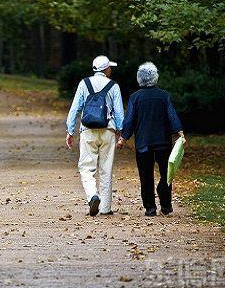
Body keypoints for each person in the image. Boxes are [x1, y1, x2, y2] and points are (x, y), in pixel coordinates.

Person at [117, 62, 186, 216]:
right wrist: (179, 131)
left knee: (145, 175)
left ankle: (150, 208)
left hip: (143, 143)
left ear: (139, 78)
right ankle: (166, 206)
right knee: (166, 174)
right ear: (156, 77)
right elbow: (172, 114)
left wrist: (123, 138)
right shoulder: (163, 96)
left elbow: (129, 120)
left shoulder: (135, 98)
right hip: (163, 142)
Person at [65, 55, 124, 216]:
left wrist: (70, 131)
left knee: (86, 167)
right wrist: (121, 132)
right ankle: (105, 208)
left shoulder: (84, 84)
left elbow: (75, 109)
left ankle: (92, 195)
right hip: (108, 131)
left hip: (88, 130)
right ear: (106, 69)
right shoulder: (113, 86)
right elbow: (119, 113)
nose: (110, 69)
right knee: (106, 169)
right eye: (109, 67)